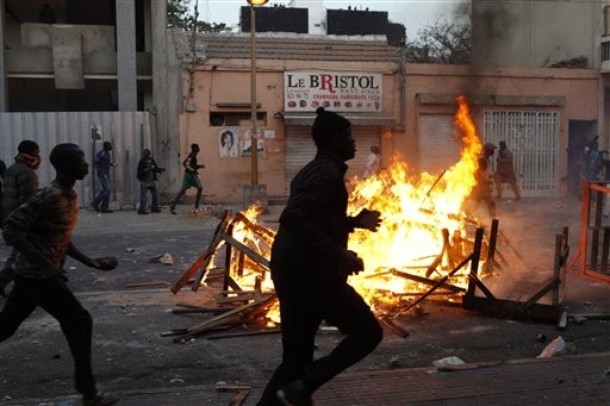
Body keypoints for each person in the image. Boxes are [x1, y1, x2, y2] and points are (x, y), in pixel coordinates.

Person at [257, 107, 383, 406]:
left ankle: (295, 389)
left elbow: (315, 217)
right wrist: (338, 253)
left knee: (295, 361)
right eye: (348, 136)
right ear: (333, 140)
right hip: (312, 279)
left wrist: (353, 222)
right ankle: (304, 386)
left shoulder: (315, 170)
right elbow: (294, 217)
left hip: (295, 275)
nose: (353, 142)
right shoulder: (325, 174)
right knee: (367, 333)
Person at [0, 143, 121, 406]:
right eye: (80, 161)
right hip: (37, 277)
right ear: (65, 166)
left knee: (6, 326)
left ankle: (87, 389)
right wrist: (46, 264)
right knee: (79, 321)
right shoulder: (49, 196)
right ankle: (89, 392)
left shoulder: (70, 197)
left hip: (32, 275)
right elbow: (11, 229)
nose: (86, 165)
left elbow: (61, 237)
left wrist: (91, 262)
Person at [0, 140, 41, 298]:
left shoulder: (11, 169)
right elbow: (28, 200)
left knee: (22, 252)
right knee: (21, 253)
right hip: (21, 219)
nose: (39, 155)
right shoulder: (26, 173)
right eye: (37, 152)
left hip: (10, 217)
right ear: (31, 152)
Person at [169, 143, 204, 215]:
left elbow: (191, 165)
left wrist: (199, 166)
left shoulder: (193, 155)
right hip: (191, 175)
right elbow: (185, 164)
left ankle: (173, 206)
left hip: (188, 175)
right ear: (194, 148)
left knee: (182, 191)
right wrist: (193, 170)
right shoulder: (192, 155)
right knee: (200, 188)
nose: (199, 148)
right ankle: (196, 207)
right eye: (197, 147)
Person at [466, 142, 497, 219]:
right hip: (482, 187)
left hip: (482, 187)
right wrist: (486, 181)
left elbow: (485, 172)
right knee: (490, 204)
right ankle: (494, 220)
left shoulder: (486, 159)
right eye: (491, 150)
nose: (493, 152)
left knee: (475, 203)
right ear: (487, 150)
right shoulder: (482, 160)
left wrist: (490, 178)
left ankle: (465, 214)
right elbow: (479, 173)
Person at [136, 148, 164, 214]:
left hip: (151, 180)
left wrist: (159, 170)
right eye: (144, 153)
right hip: (144, 181)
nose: (145, 154)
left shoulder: (151, 160)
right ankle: (141, 209)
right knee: (143, 197)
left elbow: (155, 168)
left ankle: (154, 208)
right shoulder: (142, 161)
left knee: (154, 194)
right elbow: (139, 171)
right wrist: (147, 169)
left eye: (146, 153)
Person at [91, 141, 115, 213]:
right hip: (102, 174)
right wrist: (100, 171)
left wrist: (112, 164)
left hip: (106, 173)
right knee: (107, 189)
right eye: (109, 145)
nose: (111, 147)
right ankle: (95, 202)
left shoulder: (107, 154)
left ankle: (104, 207)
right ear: (105, 146)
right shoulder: (101, 153)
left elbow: (105, 163)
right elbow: (95, 162)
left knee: (108, 190)